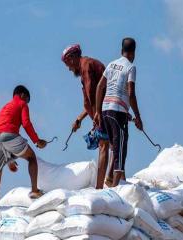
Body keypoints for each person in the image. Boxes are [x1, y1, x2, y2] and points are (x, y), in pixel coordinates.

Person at [0, 85, 48, 212]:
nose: (27, 103)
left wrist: (9, 160)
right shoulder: (22, 104)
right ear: (22, 95)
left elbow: (0, 133)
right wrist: (37, 141)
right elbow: (26, 123)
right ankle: (34, 191)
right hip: (9, 134)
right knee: (31, 157)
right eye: (27, 100)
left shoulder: (4, 108)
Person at [94, 37, 143, 187]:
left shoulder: (111, 64)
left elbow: (100, 87)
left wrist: (97, 111)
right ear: (133, 53)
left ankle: (109, 180)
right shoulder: (131, 67)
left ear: (121, 51)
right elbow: (131, 93)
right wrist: (138, 117)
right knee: (120, 153)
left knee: (114, 147)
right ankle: (114, 192)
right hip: (117, 113)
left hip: (105, 110)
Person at [61, 44, 110, 189]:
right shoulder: (85, 67)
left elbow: (92, 94)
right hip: (101, 111)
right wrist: (79, 119)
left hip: (104, 111)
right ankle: (115, 180)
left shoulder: (86, 66)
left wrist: (97, 114)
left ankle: (100, 187)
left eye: (67, 64)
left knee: (103, 145)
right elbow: (88, 102)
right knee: (112, 145)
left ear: (72, 58)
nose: (69, 69)